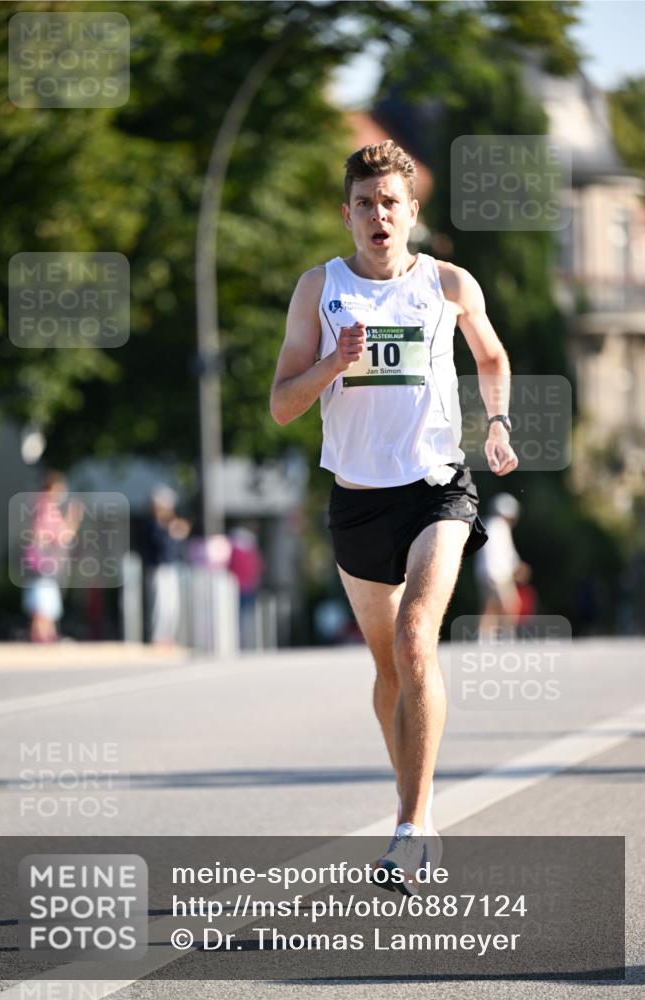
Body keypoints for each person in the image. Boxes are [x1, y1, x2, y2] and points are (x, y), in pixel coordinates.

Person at [270, 140, 518, 895]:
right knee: (387, 669)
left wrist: (498, 423)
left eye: (390, 203)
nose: (378, 216)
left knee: (417, 638)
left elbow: (492, 357)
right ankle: (419, 803)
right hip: (356, 499)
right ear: (345, 214)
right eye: (364, 204)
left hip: (435, 485)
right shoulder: (319, 287)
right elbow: (282, 405)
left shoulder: (446, 282)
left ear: (411, 211)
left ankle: (411, 828)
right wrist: (330, 364)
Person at [22, 471, 84, 642]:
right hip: (44, 561)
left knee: (44, 600)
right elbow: (62, 536)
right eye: (59, 489)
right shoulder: (45, 508)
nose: (61, 493)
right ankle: (42, 636)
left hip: (43, 561)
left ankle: (46, 635)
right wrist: (74, 519)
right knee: (43, 601)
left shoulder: (40, 505)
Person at [141, 486, 190, 646]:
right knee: (159, 605)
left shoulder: (170, 523)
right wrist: (170, 531)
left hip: (171, 568)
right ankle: (158, 637)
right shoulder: (152, 525)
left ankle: (168, 636)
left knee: (171, 606)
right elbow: (159, 545)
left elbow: (178, 548)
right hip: (158, 568)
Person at [475, 493, 530, 633]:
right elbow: (497, 554)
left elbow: (505, 553)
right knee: (509, 605)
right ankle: (506, 635)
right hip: (497, 575)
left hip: (491, 574)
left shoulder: (491, 525)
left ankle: (486, 637)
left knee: (491, 606)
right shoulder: (497, 526)